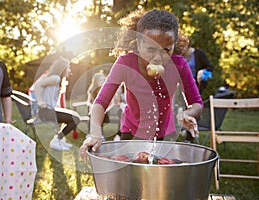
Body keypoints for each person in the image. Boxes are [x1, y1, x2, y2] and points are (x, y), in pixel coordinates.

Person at [80, 9, 203, 159]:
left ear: (173, 45)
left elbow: (196, 103)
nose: (158, 57)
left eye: (166, 50)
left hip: (164, 136)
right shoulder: (126, 63)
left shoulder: (179, 65)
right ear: (138, 43)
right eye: (151, 49)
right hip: (131, 133)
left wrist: (187, 114)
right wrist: (95, 134)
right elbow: (100, 102)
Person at [30, 56, 80, 151]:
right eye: (68, 68)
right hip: (45, 112)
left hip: (50, 110)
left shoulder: (57, 79)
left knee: (75, 117)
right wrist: (40, 101)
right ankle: (57, 140)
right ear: (63, 68)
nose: (70, 70)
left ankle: (59, 140)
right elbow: (37, 85)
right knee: (76, 119)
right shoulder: (55, 78)